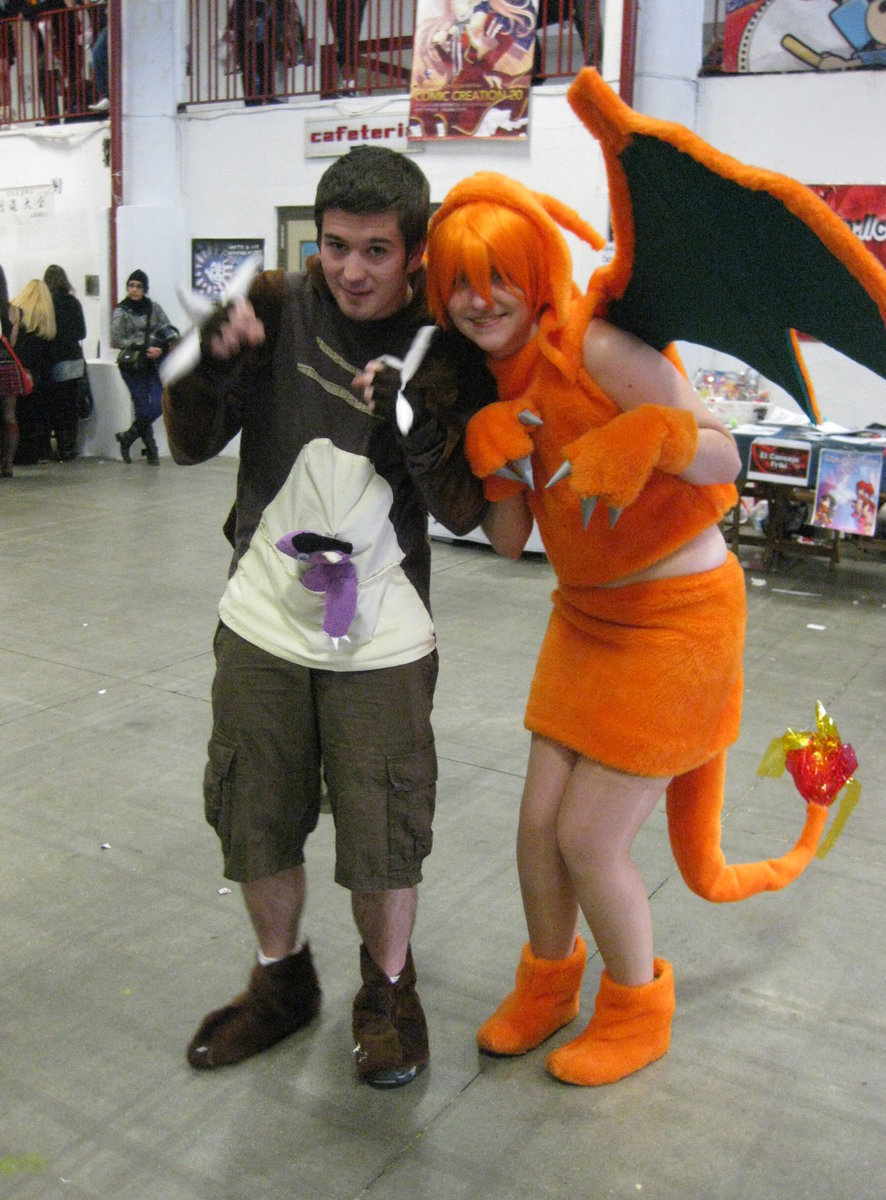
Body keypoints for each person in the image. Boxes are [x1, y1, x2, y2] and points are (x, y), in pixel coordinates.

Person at [162, 145, 492, 1087]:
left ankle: (387, 993)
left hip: (383, 631)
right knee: (254, 812)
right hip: (262, 617)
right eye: (336, 246)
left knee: (384, 825)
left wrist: (414, 420)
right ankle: (281, 980)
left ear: (415, 253)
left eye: (376, 250)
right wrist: (205, 363)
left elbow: (467, 509)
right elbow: (188, 445)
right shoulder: (273, 304)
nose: (351, 269)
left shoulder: (443, 344)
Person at [422, 172, 747, 1086]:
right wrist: (493, 458)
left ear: (535, 271)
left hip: (680, 620)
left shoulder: (594, 344)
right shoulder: (488, 379)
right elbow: (511, 542)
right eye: (459, 283)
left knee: (590, 839)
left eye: (498, 276)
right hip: (586, 616)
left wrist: (651, 438)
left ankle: (638, 1010)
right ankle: (549, 986)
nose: (480, 300)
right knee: (537, 826)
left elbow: (725, 451)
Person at [111, 269, 176, 465]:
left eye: (138, 286)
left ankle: (128, 437)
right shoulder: (121, 311)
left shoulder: (154, 308)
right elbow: (117, 339)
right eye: (131, 285)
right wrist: (141, 346)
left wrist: (161, 349)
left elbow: (169, 331)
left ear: (144, 288)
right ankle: (152, 450)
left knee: (158, 404)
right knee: (142, 407)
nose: (134, 290)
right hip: (132, 365)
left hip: (152, 364)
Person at [9, 278, 56, 463]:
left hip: (17, 370)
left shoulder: (16, 312)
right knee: (34, 416)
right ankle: (32, 454)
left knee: (15, 414)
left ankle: (12, 455)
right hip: (37, 376)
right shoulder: (46, 319)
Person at [43, 264, 87, 460]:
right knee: (71, 405)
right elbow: (82, 332)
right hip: (75, 359)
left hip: (56, 359)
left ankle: (61, 447)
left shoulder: (47, 305)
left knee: (57, 406)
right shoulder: (74, 302)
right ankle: (69, 446)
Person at [0, 263, 22, 476]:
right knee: (9, 416)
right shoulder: (13, 311)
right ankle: (7, 465)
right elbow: (13, 343)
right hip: (8, 366)